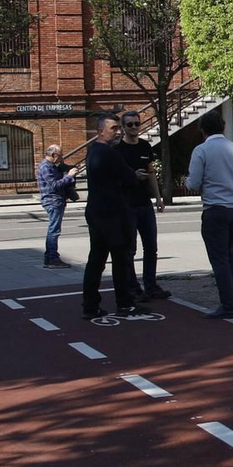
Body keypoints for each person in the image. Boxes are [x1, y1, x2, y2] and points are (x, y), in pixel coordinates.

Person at [185, 119, 233, 319]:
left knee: (220, 258)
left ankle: (228, 304)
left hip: (216, 207)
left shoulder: (201, 150)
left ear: (202, 130)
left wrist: (189, 180)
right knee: (230, 254)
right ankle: (232, 298)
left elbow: (193, 183)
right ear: (223, 127)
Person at [80, 114, 145, 319]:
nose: (118, 132)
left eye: (118, 128)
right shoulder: (109, 153)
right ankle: (125, 302)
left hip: (96, 210)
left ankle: (90, 305)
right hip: (113, 213)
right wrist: (135, 175)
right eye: (113, 128)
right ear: (101, 131)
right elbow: (128, 178)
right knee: (121, 258)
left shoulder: (92, 152)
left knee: (96, 259)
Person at [116, 111, 171, 300]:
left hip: (144, 204)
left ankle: (151, 285)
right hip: (127, 205)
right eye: (129, 124)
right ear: (122, 128)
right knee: (130, 249)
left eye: (136, 124)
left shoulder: (145, 146)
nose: (134, 127)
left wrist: (158, 197)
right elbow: (114, 177)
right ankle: (133, 287)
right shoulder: (118, 149)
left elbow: (151, 173)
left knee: (151, 248)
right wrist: (131, 175)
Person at [35, 143, 78, 267]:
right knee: (54, 230)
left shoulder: (52, 166)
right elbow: (54, 185)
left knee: (53, 230)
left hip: (56, 200)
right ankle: (53, 258)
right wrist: (69, 176)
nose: (61, 158)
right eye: (60, 156)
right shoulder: (45, 167)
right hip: (53, 201)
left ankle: (49, 258)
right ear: (54, 155)